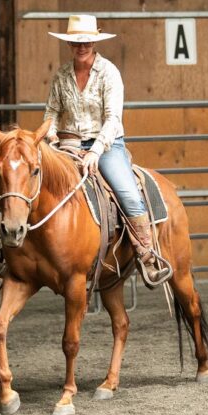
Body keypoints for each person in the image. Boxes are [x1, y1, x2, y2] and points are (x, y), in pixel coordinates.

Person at [44, 14, 168, 285]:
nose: (82, 47)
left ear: (94, 43)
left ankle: (146, 255)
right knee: (34, 179)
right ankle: (15, 251)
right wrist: (50, 137)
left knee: (128, 193)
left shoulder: (109, 73)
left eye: (87, 42)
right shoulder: (61, 75)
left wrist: (95, 151)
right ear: (69, 44)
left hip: (107, 144)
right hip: (68, 143)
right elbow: (51, 112)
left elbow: (113, 119)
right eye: (77, 42)